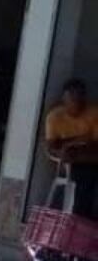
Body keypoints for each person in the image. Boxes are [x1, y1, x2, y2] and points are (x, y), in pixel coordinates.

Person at [45, 78, 98, 218]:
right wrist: (69, 148)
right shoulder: (55, 117)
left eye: (79, 97)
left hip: (90, 157)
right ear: (64, 98)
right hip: (69, 160)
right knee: (78, 179)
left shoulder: (93, 113)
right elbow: (51, 147)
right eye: (72, 98)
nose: (76, 102)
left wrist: (71, 144)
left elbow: (94, 144)